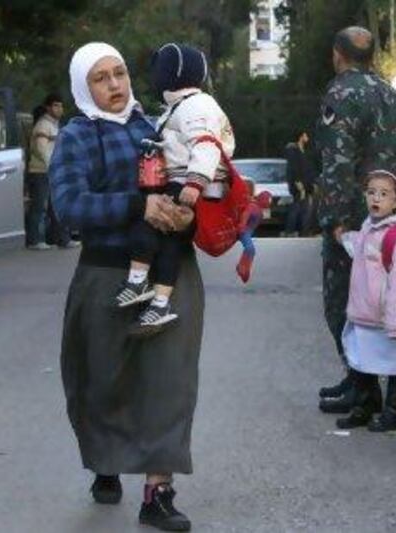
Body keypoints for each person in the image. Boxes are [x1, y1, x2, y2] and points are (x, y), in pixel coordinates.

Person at [49, 42, 202, 532]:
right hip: (106, 274)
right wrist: (137, 207)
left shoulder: (153, 126)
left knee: (168, 382)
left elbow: (192, 177)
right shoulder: (77, 136)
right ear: (83, 87)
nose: (115, 85)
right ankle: (105, 459)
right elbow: (69, 205)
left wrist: (187, 209)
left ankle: (158, 493)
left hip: (170, 271)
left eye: (119, 73)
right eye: (101, 78)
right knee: (100, 382)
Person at [314, 27, 396, 415]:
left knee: (345, 304)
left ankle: (363, 386)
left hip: (354, 220)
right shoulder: (394, 96)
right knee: (378, 301)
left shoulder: (340, 94)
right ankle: (361, 381)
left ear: (338, 54)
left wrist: (336, 221)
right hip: (389, 215)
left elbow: (335, 162)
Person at [114, 42, 233, 335]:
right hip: (188, 182)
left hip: (187, 183)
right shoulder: (184, 105)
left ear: (170, 75)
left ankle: (138, 280)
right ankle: (160, 303)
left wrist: (195, 181)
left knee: (148, 220)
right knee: (170, 243)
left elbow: (205, 143)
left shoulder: (195, 106)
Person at [334, 170, 396, 431]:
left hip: (388, 319)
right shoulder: (368, 228)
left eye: (384, 194)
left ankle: (395, 411)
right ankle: (366, 404)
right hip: (364, 314)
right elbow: (361, 248)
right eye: (371, 192)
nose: (376, 198)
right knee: (362, 361)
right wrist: (343, 238)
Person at [26, 93, 78, 250]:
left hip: (52, 171)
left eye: (61, 105)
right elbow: (42, 148)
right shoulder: (43, 125)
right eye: (56, 105)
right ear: (48, 107)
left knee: (56, 207)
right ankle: (35, 240)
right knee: (40, 207)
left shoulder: (55, 125)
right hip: (41, 171)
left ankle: (62, 239)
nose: (59, 108)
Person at [282, 129, 314, 237]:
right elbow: (293, 168)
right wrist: (298, 183)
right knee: (296, 207)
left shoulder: (304, 150)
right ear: (301, 136)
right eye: (306, 135)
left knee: (305, 208)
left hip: (306, 184)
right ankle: (290, 231)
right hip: (298, 184)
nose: (307, 137)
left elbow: (306, 169)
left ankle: (304, 232)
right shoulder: (293, 150)